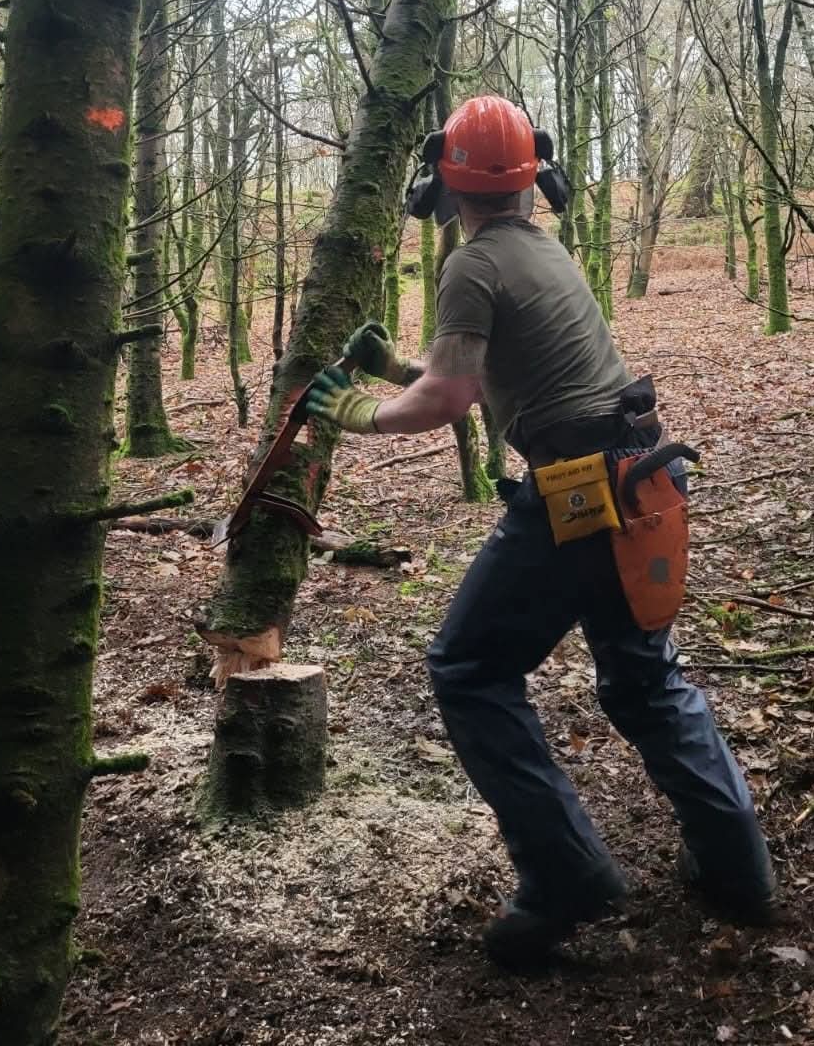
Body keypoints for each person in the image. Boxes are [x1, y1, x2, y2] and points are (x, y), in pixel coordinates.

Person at [306, 94, 778, 966]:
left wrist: (357, 411)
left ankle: (564, 876)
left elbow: (451, 399)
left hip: (582, 490)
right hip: (643, 471)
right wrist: (398, 368)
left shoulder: (472, 263)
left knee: (468, 667)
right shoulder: (542, 250)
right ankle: (738, 870)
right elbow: (486, 376)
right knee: (645, 681)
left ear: (443, 183)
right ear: (534, 179)